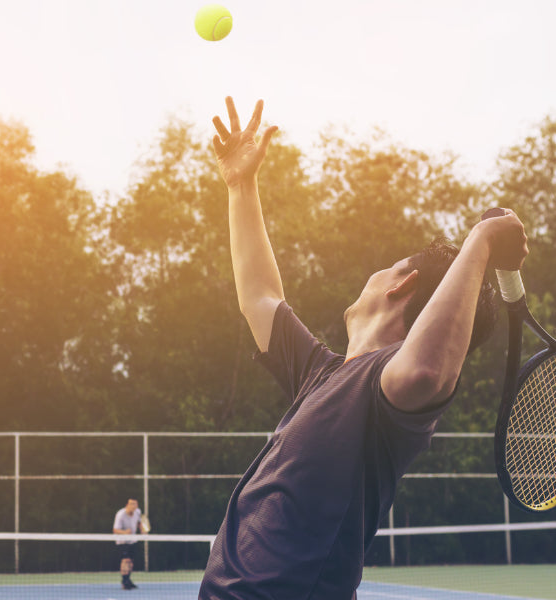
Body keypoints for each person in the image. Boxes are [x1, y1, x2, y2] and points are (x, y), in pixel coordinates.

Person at [198, 97, 528, 600]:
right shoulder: (323, 373)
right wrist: (241, 186)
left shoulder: (384, 387)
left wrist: (479, 243)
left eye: (387, 267)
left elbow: (425, 372)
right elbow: (259, 297)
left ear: (402, 284)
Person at [113, 498, 145, 590]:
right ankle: (124, 581)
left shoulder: (138, 512)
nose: (133, 506)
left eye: (135, 504)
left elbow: (139, 522)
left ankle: (128, 580)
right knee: (125, 560)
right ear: (127, 505)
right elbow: (115, 530)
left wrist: (142, 530)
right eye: (131, 504)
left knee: (131, 561)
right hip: (122, 541)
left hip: (132, 540)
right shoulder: (120, 514)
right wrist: (125, 532)